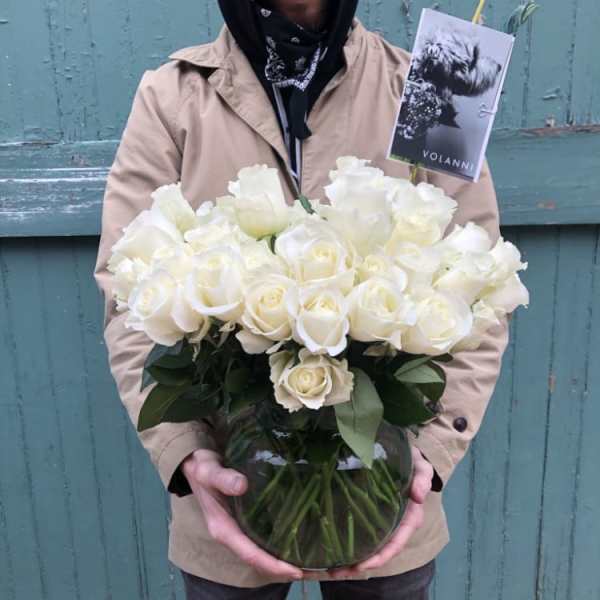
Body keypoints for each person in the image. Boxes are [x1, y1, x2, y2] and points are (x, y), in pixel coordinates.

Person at [93, 1, 509, 598]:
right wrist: (185, 456)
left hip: (386, 494)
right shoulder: (172, 96)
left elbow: (481, 284)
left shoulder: (434, 82)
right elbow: (129, 290)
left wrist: (434, 452)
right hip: (231, 492)